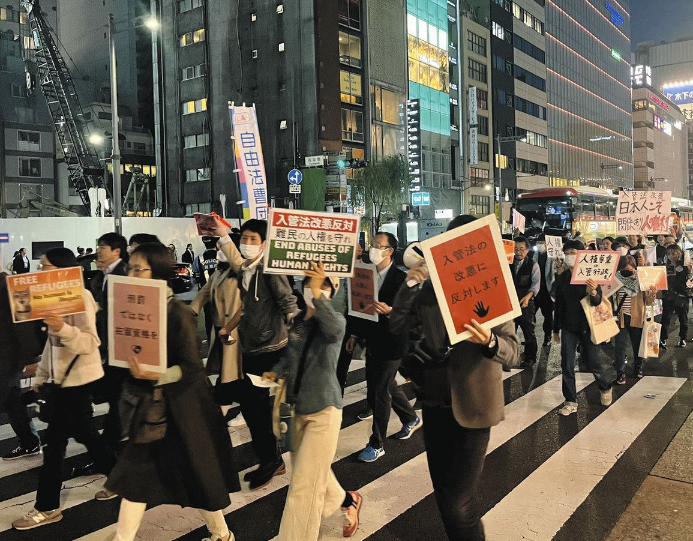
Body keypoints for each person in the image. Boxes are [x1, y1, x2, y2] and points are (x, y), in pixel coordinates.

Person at [390, 214, 519, 541]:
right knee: (444, 493)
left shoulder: (493, 286)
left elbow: (513, 351)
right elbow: (396, 327)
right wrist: (409, 285)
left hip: (475, 406)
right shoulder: (429, 289)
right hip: (434, 401)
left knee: (458, 503)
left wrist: (488, 341)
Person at [104, 243, 239, 541]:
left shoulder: (176, 312)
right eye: (131, 268)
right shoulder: (129, 309)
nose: (133, 274)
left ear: (159, 272)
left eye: (140, 268)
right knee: (136, 477)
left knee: (197, 473)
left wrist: (156, 374)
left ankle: (222, 534)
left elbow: (192, 367)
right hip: (152, 410)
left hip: (183, 409)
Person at [12, 248, 117, 531]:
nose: (40, 270)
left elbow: (89, 343)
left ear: (61, 270)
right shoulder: (49, 298)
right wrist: (41, 378)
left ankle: (47, 508)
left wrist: (62, 327)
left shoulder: (80, 297)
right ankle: (121, 479)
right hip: (61, 384)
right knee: (86, 436)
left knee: (55, 447)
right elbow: (51, 346)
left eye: (44, 266)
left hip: (78, 383)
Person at [262, 263, 362, 540]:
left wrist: (318, 293)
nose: (314, 287)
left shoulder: (335, 323)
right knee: (313, 474)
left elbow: (331, 327)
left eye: (323, 284)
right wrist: (277, 370)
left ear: (333, 290)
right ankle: (347, 501)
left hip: (324, 412)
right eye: (309, 282)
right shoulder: (298, 323)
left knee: (303, 488)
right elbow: (292, 354)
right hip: (297, 410)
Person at [216, 219, 298, 490]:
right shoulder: (245, 270)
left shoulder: (270, 271)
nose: (247, 244)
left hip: (271, 351)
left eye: (253, 239)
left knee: (256, 407)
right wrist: (228, 328)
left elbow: (287, 301)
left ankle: (272, 460)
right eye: (245, 238)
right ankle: (270, 459)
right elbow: (245, 305)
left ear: (265, 244)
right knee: (254, 409)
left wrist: (298, 328)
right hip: (251, 349)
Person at [349, 232, 421, 463]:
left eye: (379, 246)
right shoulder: (364, 273)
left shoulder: (402, 279)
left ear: (390, 251)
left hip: (393, 341)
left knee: (378, 391)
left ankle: (377, 443)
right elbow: (357, 305)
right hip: (372, 339)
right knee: (386, 384)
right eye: (373, 245)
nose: (374, 249)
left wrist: (392, 311)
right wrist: (354, 333)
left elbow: (415, 314)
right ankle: (410, 418)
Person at [553, 240, 613, 416]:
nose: (570, 256)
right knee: (567, 364)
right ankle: (570, 400)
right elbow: (559, 306)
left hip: (588, 326)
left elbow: (597, 302)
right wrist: (556, 329)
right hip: (568, 327)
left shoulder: (590, 276)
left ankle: (604, 386)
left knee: (593, 362)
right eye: (567, 252)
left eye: (573, 252)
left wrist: (593, 292)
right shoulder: (562, 278)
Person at [88, 233, 129, 460]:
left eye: (102, 246)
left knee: (117, 396)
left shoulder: (125, 273)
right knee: (116, 396)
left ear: (116, 251)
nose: (98, 251)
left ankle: (108, 448)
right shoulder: (101, 276)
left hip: (121, 345)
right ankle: (109, 444)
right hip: (106, 346)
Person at [190, 247, 243, 407]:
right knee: (226, 367)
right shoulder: (218, 272)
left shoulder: (241, 272)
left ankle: (228, 402)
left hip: (235, 328)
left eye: (222, 248)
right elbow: (203, 294)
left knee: (233, 369)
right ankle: (225, 399)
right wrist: (191, 311)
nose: (218, 251)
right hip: (220, 328)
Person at [0, 273, 44, 461]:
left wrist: (31, 357)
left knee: (10, 398)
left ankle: (30, 442)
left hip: (9, 356)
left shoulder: (15, 286)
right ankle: (29, 441)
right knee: (11, 400)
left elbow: (26, 325)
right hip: (6, 355)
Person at [613, 256, 656, 382]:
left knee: (637, 345)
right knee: (619, 346)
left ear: (635, 269)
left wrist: (652, 293)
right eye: (624, 270)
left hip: (637, 317)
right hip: (621, 317)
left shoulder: (641, 279)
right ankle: (620, 372)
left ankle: (638, 367)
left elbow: (647, 302)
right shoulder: (615, 279)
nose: (627, 273)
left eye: (630, 270)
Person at [511, 237, 540, 367]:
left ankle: (530, 358)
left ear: (527, 250)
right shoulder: (507, 263)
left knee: (528, 331)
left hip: (526, 303)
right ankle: (508, 358)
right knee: (509, 332)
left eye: (521, 249)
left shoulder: (533, 265)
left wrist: (528, 297)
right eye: (516, 249)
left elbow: (535, 284)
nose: (518, 252)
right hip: (509, 303)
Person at [660, 243, 692, 349]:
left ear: (680, 253)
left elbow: (689, 281)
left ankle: (682, 339)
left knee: (683, 319)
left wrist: (690, 272)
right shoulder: (665, 266)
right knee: (665, 319)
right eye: (670, 253)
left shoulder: (685, 266)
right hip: (668, 297)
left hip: (682, 297)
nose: (673, 254)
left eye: (675, 252)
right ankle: (662, 340)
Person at [534, 235, 556, 348]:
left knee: (547, 315)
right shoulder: (534, 255)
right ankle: (530, 337)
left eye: (542, 242)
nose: (540, 244)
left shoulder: (553, 257)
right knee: (529, 314)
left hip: (547, 291)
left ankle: (548, 336)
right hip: (535, 290)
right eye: (538, 242)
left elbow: (554, 274)